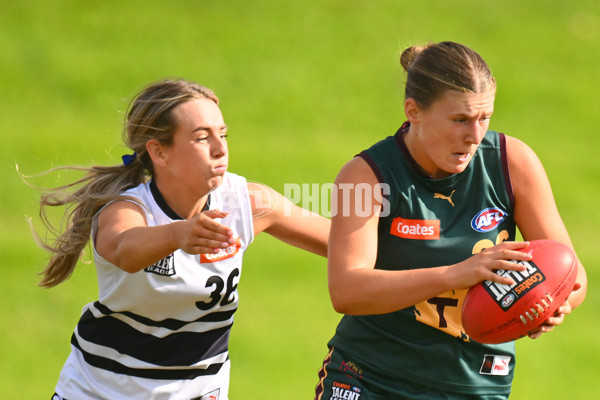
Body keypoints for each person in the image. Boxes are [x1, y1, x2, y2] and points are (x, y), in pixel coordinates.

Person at [314, 41, 587, 400]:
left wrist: (552, 303)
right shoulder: (365, 176)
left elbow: (572, 274)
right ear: (413, 111)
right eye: (460, 119)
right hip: (371, 380)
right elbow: (347, 290)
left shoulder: (512, 162)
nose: (474, 136)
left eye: (484, 117)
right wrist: (457, 273)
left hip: (476, 385)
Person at [31, 79, 329, 400]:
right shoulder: (126, 209)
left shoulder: (246, 202)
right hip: (101, 392)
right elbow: (124, 249)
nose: (220, 147)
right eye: (202, 137)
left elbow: (343, 244)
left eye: (223, 133)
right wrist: (179, 233)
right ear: (159, 152)